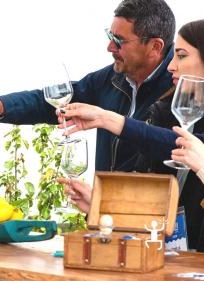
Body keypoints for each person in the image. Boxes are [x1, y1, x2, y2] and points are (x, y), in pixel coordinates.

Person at [0, 0, 175, 173]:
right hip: (106, 218)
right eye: (110, 36)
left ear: (155, 47)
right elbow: (51, 102)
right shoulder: (110, 79)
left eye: (119, 41)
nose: (109, 47)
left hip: (158, 227)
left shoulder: (184, 91)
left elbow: (182, 150)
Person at [58, 19, 204, 251]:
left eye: (182, 55)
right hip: (170, 264)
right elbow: (151, 214)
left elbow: (184, 145)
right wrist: (100, 207)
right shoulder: (165, 112)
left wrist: (109, 119)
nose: (171, 66)